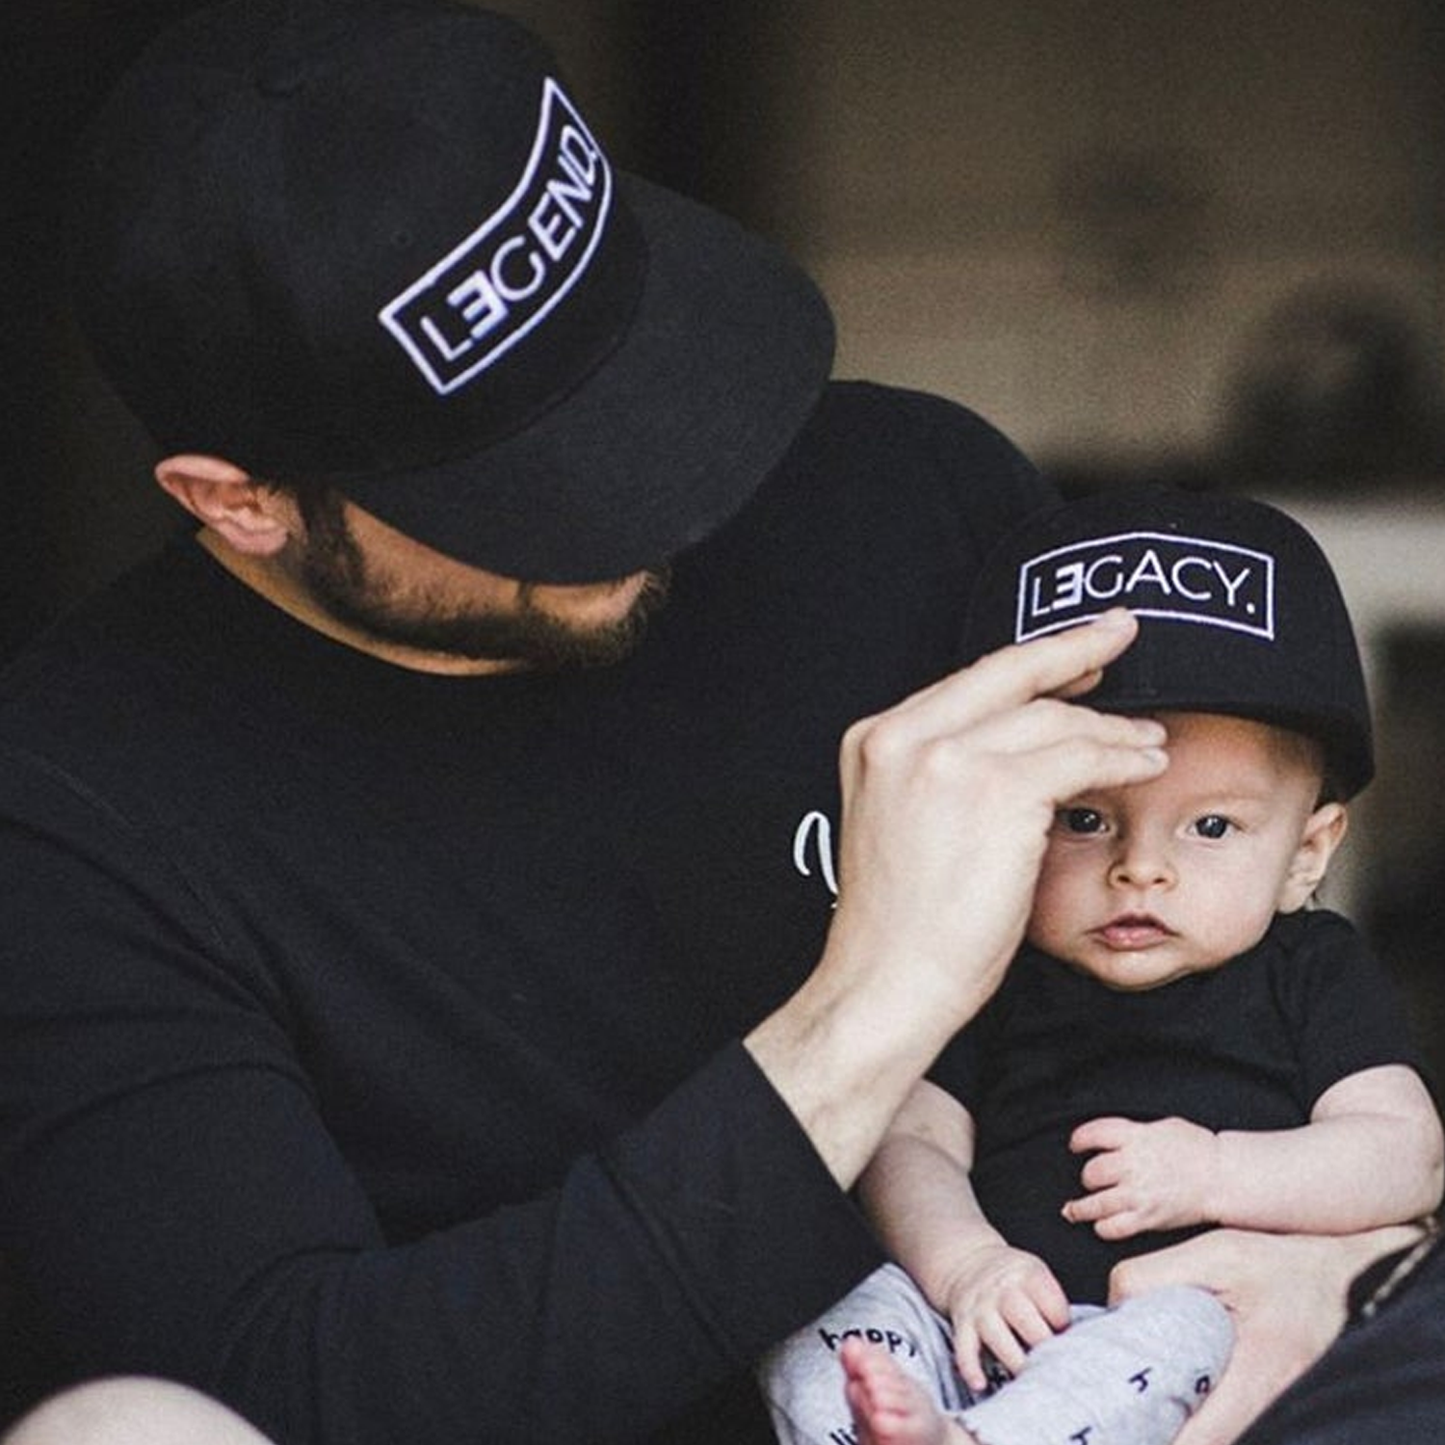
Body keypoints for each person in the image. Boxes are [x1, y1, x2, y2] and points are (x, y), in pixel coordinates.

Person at [0, 1, 1430, 1442]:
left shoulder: (902, 498)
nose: (655, 491)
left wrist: (1345, 1271)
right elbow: (296, 1385)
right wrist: (870, 1004)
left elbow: (1255, 1007)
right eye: (524, 478)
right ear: (236, 500)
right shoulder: (79, 814)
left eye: (630, 369)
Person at [761, 489, 1444, 1445]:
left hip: (1180, 1330)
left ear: (1307, 851)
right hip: (979, 1321)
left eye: (1211, 826)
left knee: (1175, 1327)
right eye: (1084, 818)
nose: (1140, 867)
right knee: (819, 1309)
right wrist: (964, 1266)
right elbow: (907, 1145)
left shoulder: (1311, 969)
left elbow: (1401, 1159)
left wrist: (1216, 1173)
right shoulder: (984, 962)